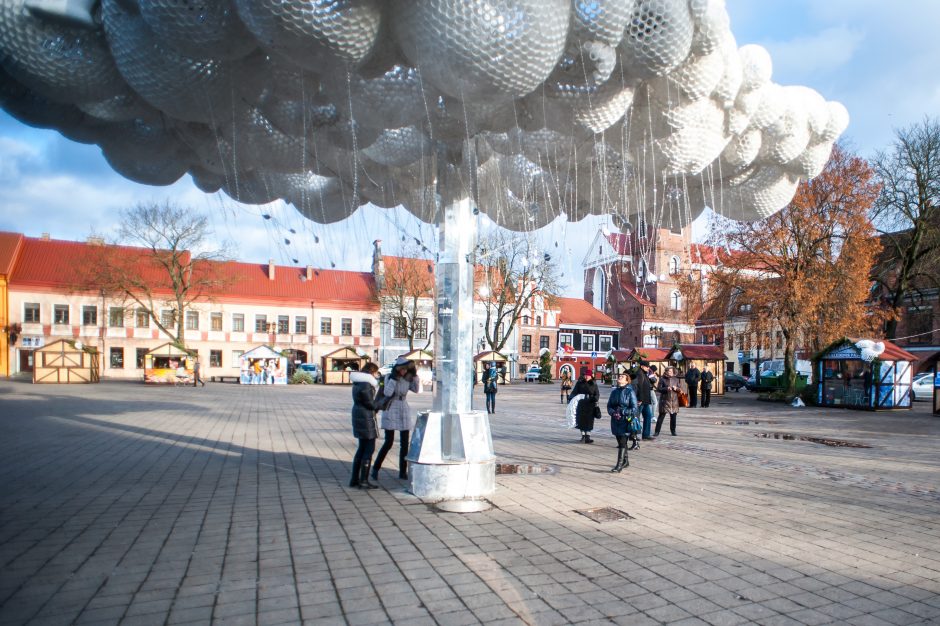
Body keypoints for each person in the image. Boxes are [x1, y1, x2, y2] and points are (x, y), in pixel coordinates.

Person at [372, 357, 419, 480]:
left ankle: (403, 471)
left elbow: (416, 389)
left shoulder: (408, 378)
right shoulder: (389, 377)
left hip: (403, 407)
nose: (404, 372)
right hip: (391, 407)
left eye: (405, 369)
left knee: (405, 443)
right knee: (389, 442)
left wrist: (415, 376)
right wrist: (394, 379)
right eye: (402, 369)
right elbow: (387, 393)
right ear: (397, 369)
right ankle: (375, 468)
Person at [349, 363, 381, 489]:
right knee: (369, 448)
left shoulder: (357, 383)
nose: (376, 375)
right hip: (365, 417)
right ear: (371, 372)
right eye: (375, 372)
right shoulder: (366, 385)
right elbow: (370, 404)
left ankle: (354, 479)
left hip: (358, 414)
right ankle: (363, 481)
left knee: (361, 448)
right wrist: (379, 404)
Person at [607, 370, 638, 472]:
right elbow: (609, 406)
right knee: (620, 441)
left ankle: (619, 465)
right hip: (615, 420)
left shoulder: (630, 392)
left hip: (625, 420)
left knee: (622, 442)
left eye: (622, 377)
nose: (619, 378)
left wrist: (623, 412)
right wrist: (613, 412)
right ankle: (626, 461)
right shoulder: (614, 392)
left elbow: (634, 408)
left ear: (626, 381)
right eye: (619, 376)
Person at [570, 368, 599, 443]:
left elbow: (597, 394)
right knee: (581, 420)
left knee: (589, 420)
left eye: (588, 376)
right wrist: (571, 398)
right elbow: (574, 392)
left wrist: (595, 399)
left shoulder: (594, 383)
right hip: (581, 403)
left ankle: (588, 436)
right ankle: (583, 436)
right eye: (586, 375)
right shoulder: (579, 383)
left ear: (591, 376)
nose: (586, 377)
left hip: (590, 404)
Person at [656, 366, 683, 436]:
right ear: (666, 371)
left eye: (671, 371)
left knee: (673, 417)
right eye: (669, 371)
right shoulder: (662, 379)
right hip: (665, 401)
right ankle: (657, 431)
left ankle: (673, 431)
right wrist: (666, 388)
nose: (670, 372)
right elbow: (658, 389)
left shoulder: (676, 379)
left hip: (674, 401)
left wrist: (676, 388)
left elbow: (680, 389)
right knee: (661, 417)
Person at [632, 360, 654, 440]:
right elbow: (639, 387)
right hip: (641, 400)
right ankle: (634, 434)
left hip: (646, 400)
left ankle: (646, 434)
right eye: (647, 367)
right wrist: (640, 399)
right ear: (642, 366)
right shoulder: (639, 374)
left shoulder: (644, 374)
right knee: (636, 417)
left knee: (648, 416)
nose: (648, 368)